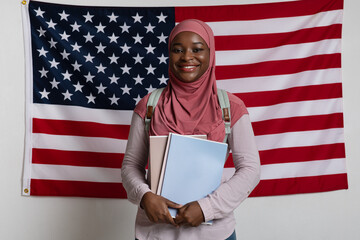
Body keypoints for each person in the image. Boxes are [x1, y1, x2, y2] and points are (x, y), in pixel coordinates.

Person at [121, 19, 260, 240]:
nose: (187, 57)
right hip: (155, 233)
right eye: (177, 50)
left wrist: (207, 208)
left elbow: (251, 169)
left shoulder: (231, 107)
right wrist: (145, 196)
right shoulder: (148, 105)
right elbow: (131, 165)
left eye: (197, 49)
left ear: (210, 52)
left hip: (215, 233)